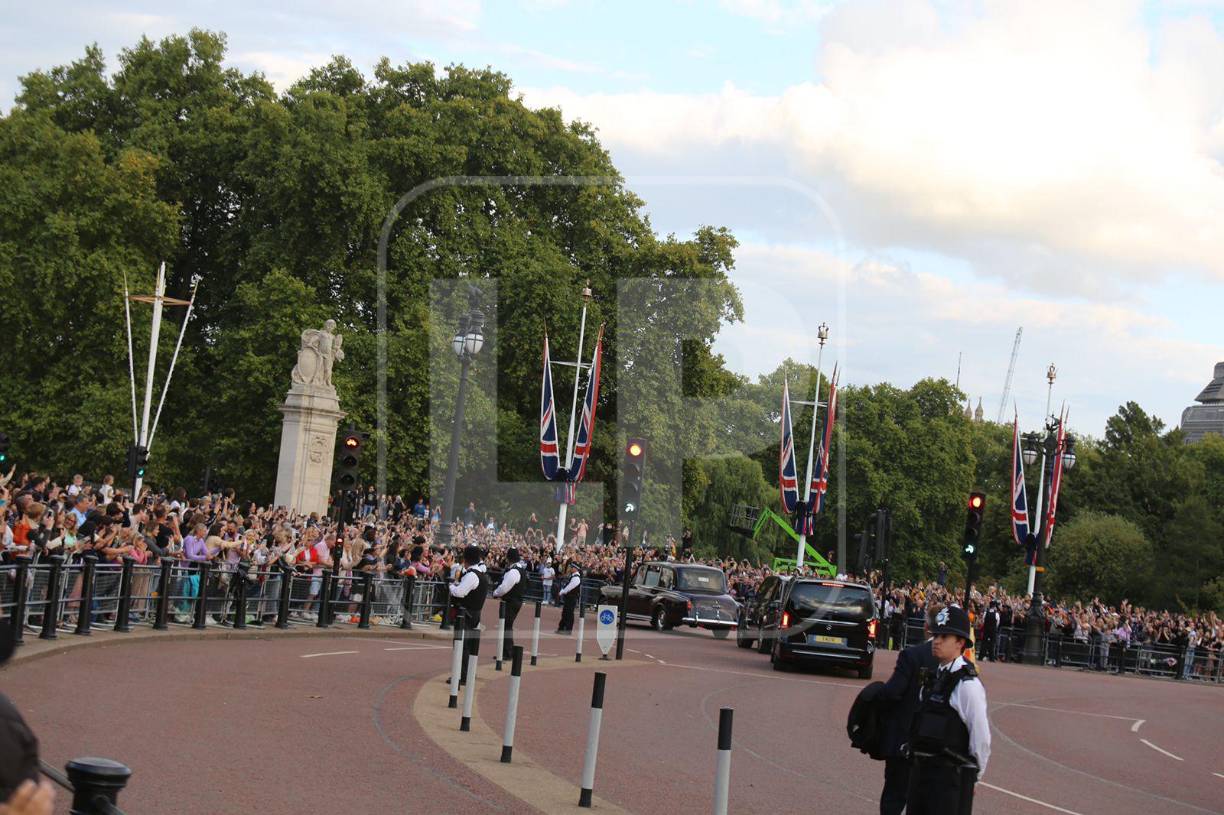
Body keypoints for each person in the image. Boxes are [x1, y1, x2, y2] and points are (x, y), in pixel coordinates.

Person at [906, 605, 990, 815]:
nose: (936, 641)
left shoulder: (968, 686)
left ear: (960, 642)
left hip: (949, 783)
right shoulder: (934, 677)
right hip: (921, 778)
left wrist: (973, 779)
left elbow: (981, 739)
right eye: (935, 635)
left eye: (944, 636)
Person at [877, 603, 942, 815]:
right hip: (936, 744)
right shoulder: (957, 663)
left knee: (894, 798)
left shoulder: (912, 655)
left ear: (926, 627)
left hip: (905, 738)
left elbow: (893, 692)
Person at [449, 545, 488, 685]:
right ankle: (464, 675)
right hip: (474, 613)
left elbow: (460, 592)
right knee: (467, 646)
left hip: (466, 614)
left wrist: (451, 586)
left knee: (461, 646)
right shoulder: (480, 574)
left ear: (466, 559)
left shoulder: (472, 575)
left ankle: (461, 676)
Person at [491, 547, 528, 661]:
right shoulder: (520, 569)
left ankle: (508, 653)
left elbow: (504, 587)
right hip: (515, 600)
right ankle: (505, 652)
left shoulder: (514, 571)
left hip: (511, 601)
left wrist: (495, 593)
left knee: (506, 627)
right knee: (507, 626)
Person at [556, 560, 582, 634]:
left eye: (572, 567)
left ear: (575, 568)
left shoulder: (576, 578)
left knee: (569, 613)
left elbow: (569, 587)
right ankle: (561, 628)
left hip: (572, 598)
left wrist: (562, 592)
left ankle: (568, 630)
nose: (570, 568)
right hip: (569, 597)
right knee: (565, 613)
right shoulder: (573, 576)